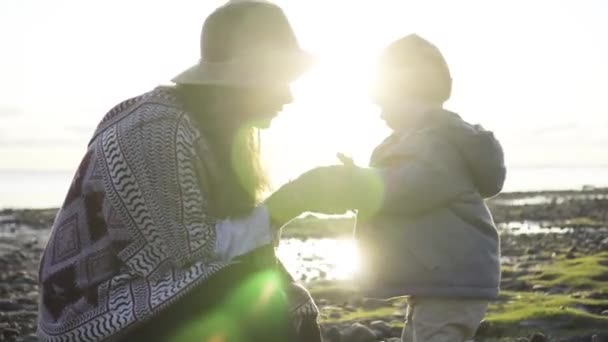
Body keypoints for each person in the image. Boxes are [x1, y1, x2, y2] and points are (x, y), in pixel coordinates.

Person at [37, 1, 349, 341]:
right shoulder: (155, 129)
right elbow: (183, 257)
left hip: (149, 289)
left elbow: (215, 248)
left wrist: (291, 205)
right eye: (278, 79)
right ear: (240, 82)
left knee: (279, 289)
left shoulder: (209, 128)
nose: (288, 96)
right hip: (89, 316)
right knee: (254, 294)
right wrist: (290, 202)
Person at [342, 34, 506, 342]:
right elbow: (401, 181)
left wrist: (358, 184)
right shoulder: (422, 142)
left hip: (451, 280)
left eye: (384, 102)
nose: (380, 113)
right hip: (436, 279)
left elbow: (408, 188)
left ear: (409, 92)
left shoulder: (438, 144)